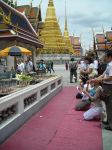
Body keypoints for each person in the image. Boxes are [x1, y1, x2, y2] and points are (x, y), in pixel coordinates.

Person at [92, 51, 112, 130]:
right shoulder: (109, 64)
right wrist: (95, 79)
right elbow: (103, 74)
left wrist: (100, 80)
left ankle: (111, 124)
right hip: (106, 85)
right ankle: (108, 120)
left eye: (105, 56)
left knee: (109, 105)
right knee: (107, 104)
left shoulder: (111, 65)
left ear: (109, 56)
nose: (104, 58)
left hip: (109, 86)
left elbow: (110, 77)